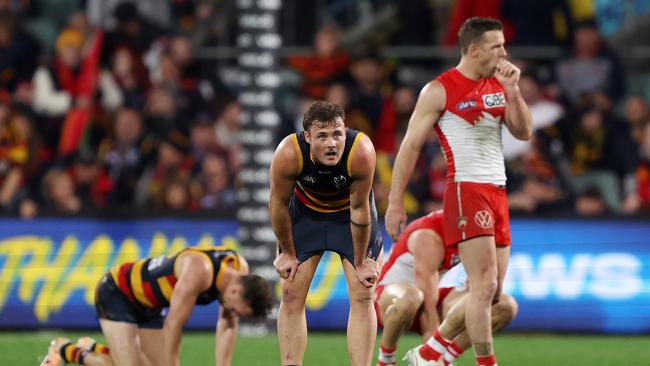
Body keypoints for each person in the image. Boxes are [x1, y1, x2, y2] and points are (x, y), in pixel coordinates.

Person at [385, 17, 532, 366]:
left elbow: (523, 132)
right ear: (473, 49)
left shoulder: (499, 85)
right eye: (497, 46)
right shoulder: (439, 89)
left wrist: (513, 92)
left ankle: (431, 353)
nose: (504, 52)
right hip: (467, 188)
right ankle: (485, 362)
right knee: (482, 286)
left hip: (497, 191)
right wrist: (394, 202)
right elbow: (410, 146)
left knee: (493, 294)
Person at [270, 100, 382, 365]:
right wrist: (286, 252)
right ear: (307, 137)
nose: (331, 143)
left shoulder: (361, 151)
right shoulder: (289, 152)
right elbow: (277, 204)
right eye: (322, 136)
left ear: (346, 132)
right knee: (290, 292)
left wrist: (360, 261)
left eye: (337, 134)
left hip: (349, 217)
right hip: (307, 216)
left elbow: (359, 208)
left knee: (364, 293)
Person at [40, 246, 274, 366]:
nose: (231, 313)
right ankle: (64, 349)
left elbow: (227, 324)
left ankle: (93, 347)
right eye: (235, 309)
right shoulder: (199, 272)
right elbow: (173, 324)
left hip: (149, 307)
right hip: (118, 292)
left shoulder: (238, 273)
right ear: (235, 291)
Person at [373, 210, 518, 366]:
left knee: (505, 305)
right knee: (412, 296)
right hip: (391, 297)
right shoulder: (428, 235)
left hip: (432, 295)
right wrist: (432, 347)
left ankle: (447, 358)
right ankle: (386, 359)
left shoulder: (469, 230)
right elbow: (428, 300)